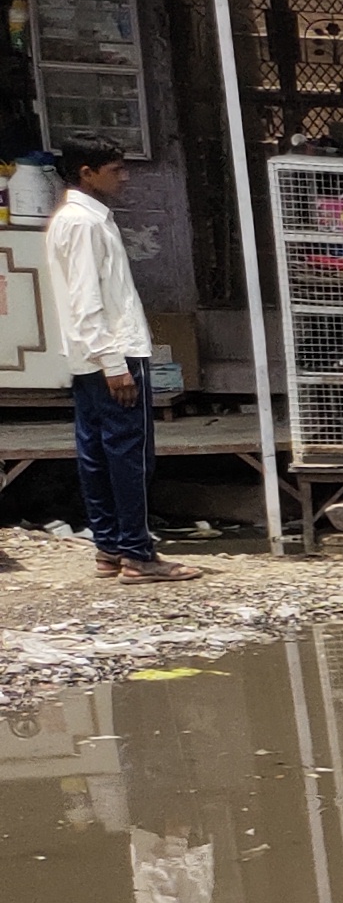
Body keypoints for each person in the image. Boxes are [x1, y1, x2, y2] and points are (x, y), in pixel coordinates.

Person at [47, 138, 180, 585]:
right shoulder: (85, 224)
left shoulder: (73, 219)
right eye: (115, 169)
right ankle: (137, 553)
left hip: (89, 355)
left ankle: (109, 546)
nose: (123, 177)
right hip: (112, 352)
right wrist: (114, 361)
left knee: (98, 451)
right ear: (87, 173)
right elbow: (87, 301)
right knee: (129, 454)